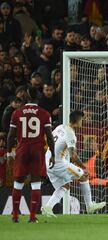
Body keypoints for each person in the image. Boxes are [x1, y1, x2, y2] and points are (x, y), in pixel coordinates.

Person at [41, 110, 106, 217]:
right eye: (82, 120)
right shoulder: (71, 134)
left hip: (48, 161)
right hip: (58, 163)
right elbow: (73, 155)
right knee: (84, 176)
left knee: (64, 186)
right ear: (77, 121)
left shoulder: (60, 127)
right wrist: (84, 167)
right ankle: (89, 206)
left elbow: (50, 140)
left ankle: (47, 207)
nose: (83, 122)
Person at [6, 87, 55, 223]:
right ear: (38, 98)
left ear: (26, 98)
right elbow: (50, 137)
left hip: (22, 150)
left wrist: (10, 152)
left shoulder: (17, 113)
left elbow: (10, 136)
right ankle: (32, 216)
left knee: (18, 183)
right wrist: (53, 154)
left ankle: (15, 215)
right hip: (37, 151)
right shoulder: (45, 114)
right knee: (35, 183)